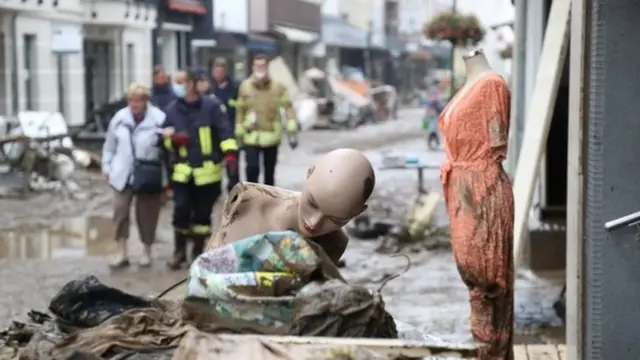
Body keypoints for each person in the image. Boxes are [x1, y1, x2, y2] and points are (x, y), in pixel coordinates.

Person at [162, 68, 239, 270]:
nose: (178, 86)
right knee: (180, 211)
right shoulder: (172, 109)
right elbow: (162, 142)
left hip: (207, 173)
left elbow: (225, 133)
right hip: (182, 173)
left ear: (193, 83)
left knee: (202, 217)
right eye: (175, 82)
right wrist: (171, 140)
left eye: (182, 81)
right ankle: (179, 251)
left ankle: (197, 252)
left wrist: (230, 156)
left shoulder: (212, 107)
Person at [101, 83, 166, 269]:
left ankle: (146, 252)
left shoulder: (158, 119)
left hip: (147, 172)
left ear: (146, 101)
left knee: (147, 214)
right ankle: (122, 252)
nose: (134, 104)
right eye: (130, 100)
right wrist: (107, 167)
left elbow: (166, 149)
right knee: (120, 212)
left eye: (138, 100)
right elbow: (109, 145)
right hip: (122, 173)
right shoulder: (119, 119)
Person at [235, 53, 298, 186]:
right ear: (252, 66)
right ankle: (251, 198)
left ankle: (268, 201)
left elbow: (288, 107)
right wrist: (239, 127)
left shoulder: (278, 86)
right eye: (257, 65)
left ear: (268, 66)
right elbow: (240, 109)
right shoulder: (245, 86)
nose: (260, 68)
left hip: (271, 135)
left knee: (269, 172)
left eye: (262, 65)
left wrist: (291, 126)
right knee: (252, 169)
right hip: (251, 135)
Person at [209, 58, 240, 191]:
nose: (219, 72)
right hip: (213, 133)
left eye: (222, 69)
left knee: (232, 164)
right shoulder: (209, 89)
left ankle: (233, 189)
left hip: (230, 132)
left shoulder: (235, 88)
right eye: (216, 69)